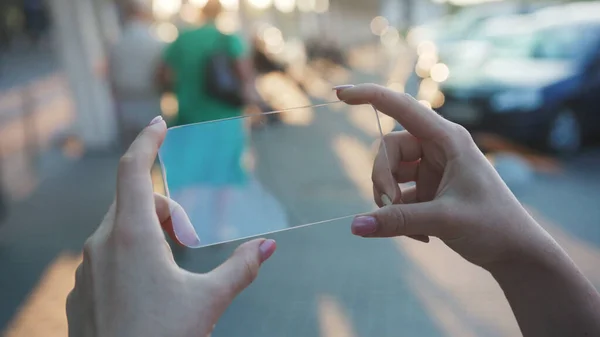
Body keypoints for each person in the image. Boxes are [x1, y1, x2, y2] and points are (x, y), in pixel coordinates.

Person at [67, 84, 600, 337]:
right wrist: (520, 251)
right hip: (223, 126)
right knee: (217, 186)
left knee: (203, 190)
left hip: (199, 121)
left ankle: (194, 227)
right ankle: (198, 225)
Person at [157, 0, 259, 243]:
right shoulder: (228, 40)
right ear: (221, 14)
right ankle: (218, 228)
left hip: (188, 118)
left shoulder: (182, 39)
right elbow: (244, 77)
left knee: (187, 176)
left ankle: (177, 229)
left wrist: (185, 90)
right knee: (223, 176)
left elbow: (163, 75)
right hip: (226, 120)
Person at [108, 0, 166, 149]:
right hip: (149, 97)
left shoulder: (117, 41)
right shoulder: (155, 41)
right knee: (153, 144)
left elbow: (110, 71)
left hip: (125, 98)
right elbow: (162, 71)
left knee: (131, 147)